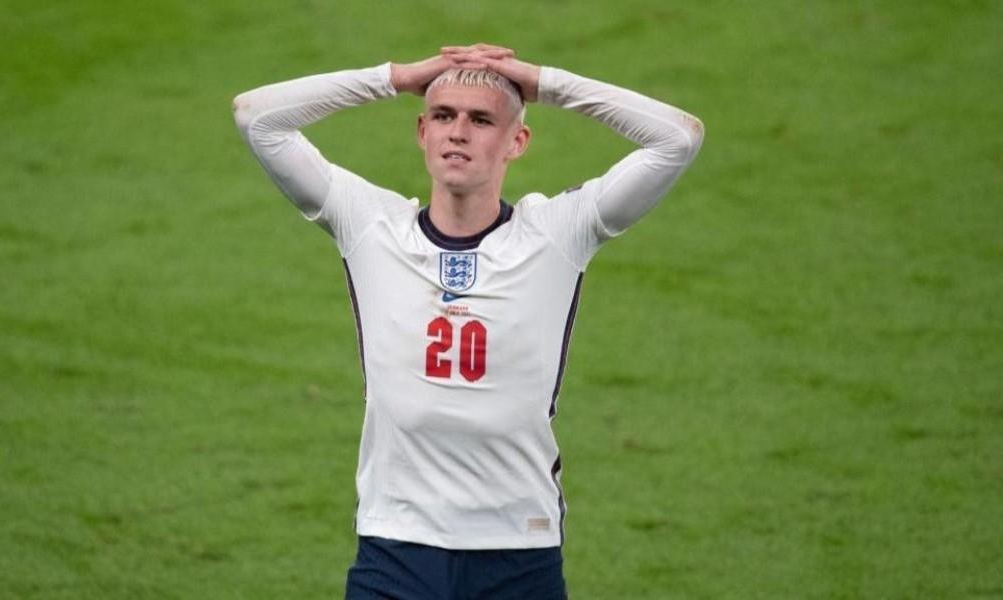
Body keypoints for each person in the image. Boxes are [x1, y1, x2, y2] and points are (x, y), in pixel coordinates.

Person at [233, 43, 703, 599]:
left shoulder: (556, 233)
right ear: (422, 132)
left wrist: (542, 82)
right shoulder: (370, 225)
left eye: (482, 120)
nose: (458, 132)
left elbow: (679, 137)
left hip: (518, 553)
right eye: (443, 116)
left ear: (517, 142)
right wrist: (397, 77)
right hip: (394, 547)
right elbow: (256, 118)